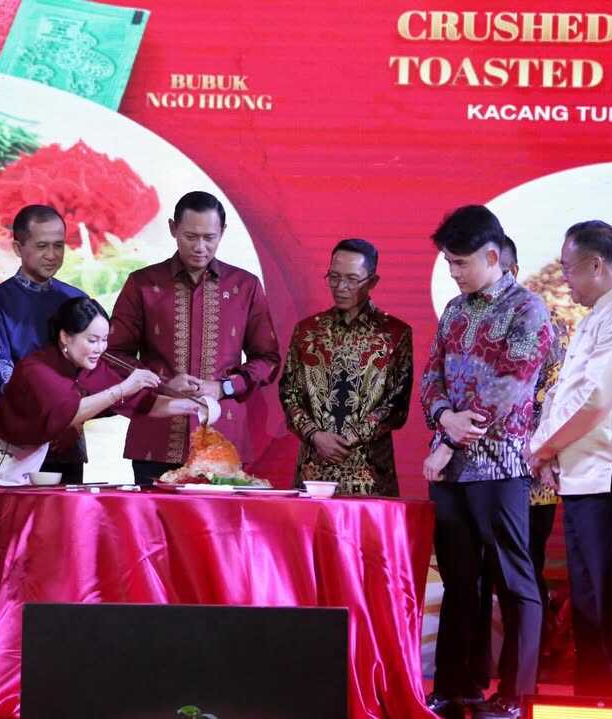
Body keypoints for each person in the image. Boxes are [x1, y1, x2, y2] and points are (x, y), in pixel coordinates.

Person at [0, 297, 208, 641]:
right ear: (65, 337)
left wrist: (193, 406)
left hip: (24, 468)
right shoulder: (36, 369)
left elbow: (142, 402)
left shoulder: (88, 366)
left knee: (22, 563)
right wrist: (125, 385)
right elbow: (70, 413)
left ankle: (17, 640)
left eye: (104, 339)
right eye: (92, 340)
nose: (100, 348)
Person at [420, 206, 553, 719]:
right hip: (452, 472)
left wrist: (451, 438)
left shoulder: (528, 309)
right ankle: (456, 686)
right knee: (457, 580)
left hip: (499, 470)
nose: (453, 272)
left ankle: (517, 695)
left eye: (459, 263)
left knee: (513, 581)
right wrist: (442, 417)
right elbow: (433, 373)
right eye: (448, 262)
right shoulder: (456, 310)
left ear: (492, 256)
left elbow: (509, 388)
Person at [528, 221, 612, 699]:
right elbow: (568, 394)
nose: (564, 278)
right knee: (591, 604)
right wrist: (547, 448)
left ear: (596, 265)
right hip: (586, 479)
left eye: (568, 269)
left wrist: (541, 448)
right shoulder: (598, 314)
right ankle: (595, 699)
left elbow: (594, 399)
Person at [108, 191, 281, 485]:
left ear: (222, 233)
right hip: (157, 436)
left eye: (209, 237)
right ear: (174, 228)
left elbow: (267, 359)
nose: (200, 247)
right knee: (151, 529)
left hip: (223, 440)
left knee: (217, 531)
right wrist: (161, 384)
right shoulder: (143, 284)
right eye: (190, 236)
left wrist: (224, 386)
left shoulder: (245, 286)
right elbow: (112, 356)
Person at [472, 237, 566, 692]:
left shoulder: (546, 321)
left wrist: (542, 455)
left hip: (532, 478)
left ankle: (520, 681)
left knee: (519, 580)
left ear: (509, 267)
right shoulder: (468, 319)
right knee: (479, 579)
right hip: (479, 475)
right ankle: (478, 678)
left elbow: (556, 404)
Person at [279, 238, 412, 496]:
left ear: (372, 282)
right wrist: (316, 435)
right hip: (313, 471)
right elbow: (288, 393)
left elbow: (396, 404)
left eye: (352, 279)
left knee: (368, 537)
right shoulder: (308, 331)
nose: (340, 287)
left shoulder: (394, 333)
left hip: (370, 474)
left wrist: (348, 439)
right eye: (334, 277)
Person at [0, 204, 86, 483]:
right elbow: (2, 376)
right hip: (10, 444)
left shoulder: (78, 301)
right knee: (14, 526)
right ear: (17, 247)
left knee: (67, 525)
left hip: (65, 443)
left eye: (59, 246)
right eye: (42, 246)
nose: (52, 255)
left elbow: (92, 367)